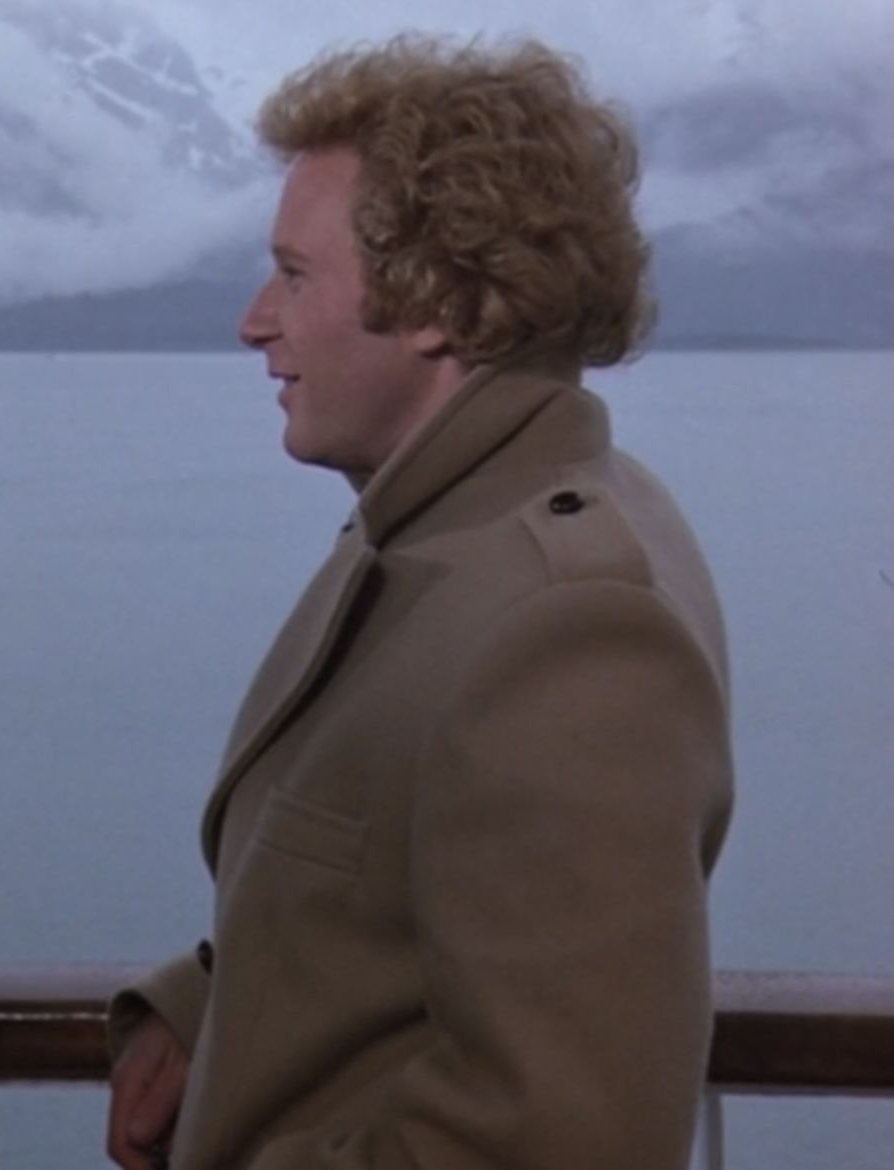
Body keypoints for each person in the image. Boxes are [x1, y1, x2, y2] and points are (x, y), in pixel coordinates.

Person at [106, 35, 734, 1170]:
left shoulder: (566, 629)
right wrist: (213, 1006)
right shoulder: (451, 525)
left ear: (435, 302)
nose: (254, 321)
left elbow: (558, 1139)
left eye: (293, 276)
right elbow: (402, 895)